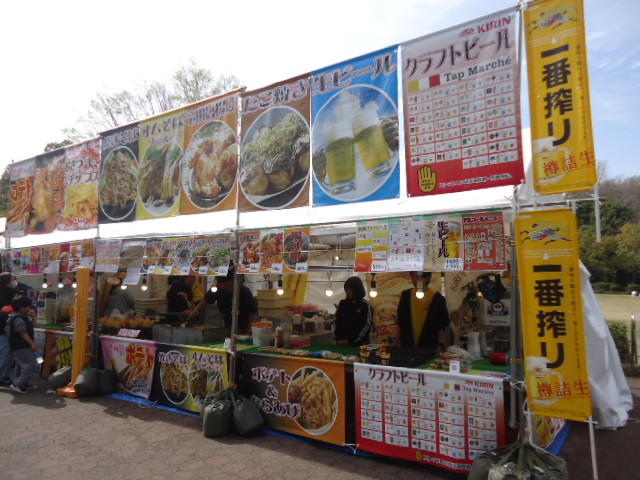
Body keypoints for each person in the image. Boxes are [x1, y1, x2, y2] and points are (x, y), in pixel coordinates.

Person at [189, 270, 257, 334]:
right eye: (218, 282)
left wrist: (248, 330)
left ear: (230, 282)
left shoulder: (244, 291)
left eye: (220, 283)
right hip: (227, 321)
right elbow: (206, 300)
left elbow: (252, 312)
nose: (218, 284)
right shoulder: (216, 289)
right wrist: (194, 311)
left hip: (244, 323)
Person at [397, 271, 450, 350]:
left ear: (428, 278)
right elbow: (400, 322)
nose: (419, 280)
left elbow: (443, 325)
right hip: (407, 346)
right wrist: (398, 341)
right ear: (411, 277)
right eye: (416, 276)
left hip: (429, 347)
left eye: (422, 277)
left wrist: (440, 344)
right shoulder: (406, 295)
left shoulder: (437, 297)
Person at [4, 296, 39, 394]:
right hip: (21, 346)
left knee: (20, 365)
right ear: (21, 308)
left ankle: (22, 384)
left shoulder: (20, 317)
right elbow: (23, 333)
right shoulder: (18, 319)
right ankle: (18, 384)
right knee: (31, 364)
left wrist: (33, 317)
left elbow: (35, 326)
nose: (30, 308)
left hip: (18, 346)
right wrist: (32, 344)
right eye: (28, 306)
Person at [334, 276, 374, 346]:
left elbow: (367, 325)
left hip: (358, 344)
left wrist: (351, 340)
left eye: (350, 289)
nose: (348, 292)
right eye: (347, 290)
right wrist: (338, 338)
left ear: (357, 289)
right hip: (340, 343)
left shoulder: (365, 305)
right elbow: (337, 321)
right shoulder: (342, 303)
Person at [0, 272, 17, 386]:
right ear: (8, 281)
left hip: (3, 327)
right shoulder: (9, 293)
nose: (14, 281)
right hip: (4, 327)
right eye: (13, 279)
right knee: (6, 353)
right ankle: (2, 377)